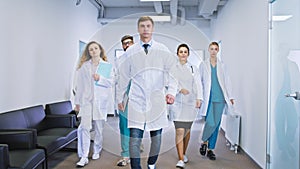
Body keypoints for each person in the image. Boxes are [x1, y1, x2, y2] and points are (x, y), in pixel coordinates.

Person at [117, 16, 178, 169]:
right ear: (138, 29)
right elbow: (123, 77)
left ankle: (151, 164)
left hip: (156, 100)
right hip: (137, 99)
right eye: (142, 26)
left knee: (156, 139)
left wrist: (171, 91)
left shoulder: (162, 49)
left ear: (153, 28)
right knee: (134, 140)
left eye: (148, 26)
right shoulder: (130, 51)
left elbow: (173, 72)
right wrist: (120, 98)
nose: (145, 29)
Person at [74, 41, 114, 167]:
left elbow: (111, 83)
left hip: (100, 102)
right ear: (88, 52)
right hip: (86, 101)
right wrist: (77, 102)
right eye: (91, 49)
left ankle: (97, 150)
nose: (94, 51)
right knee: (84, 128)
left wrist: (100, 79)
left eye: (96, 48)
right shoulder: (84, 66)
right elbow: (79, 86)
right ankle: (84, 156)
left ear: (100, 50)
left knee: (99, 129)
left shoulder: (106, 66)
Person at [198, 41, 234, 160]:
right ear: (208, 50)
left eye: (215, 49)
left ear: (218, 51)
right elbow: (199, 82)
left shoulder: (222, 65)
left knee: (216, 125)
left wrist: (231, 96)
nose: (213, 51)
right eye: (211, 49)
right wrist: (199, 97)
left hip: (220, 99)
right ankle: (204, 141)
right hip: (208, 98)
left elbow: (227, 81)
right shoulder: (203, 65)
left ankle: (210, 149)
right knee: (210, 122)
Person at [169, 44, 203, 168]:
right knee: (179, 130)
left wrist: (199, 98)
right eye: (181, 52)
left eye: (185, 52)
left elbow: (198, 84)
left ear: (188, 54)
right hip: (178, 103)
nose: (183, 54)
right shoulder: (173, 69)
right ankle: (180, 159)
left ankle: (183, 153)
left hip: (190, 103)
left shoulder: (194, 69)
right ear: (177, 54)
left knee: (187, 131)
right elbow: (170, 83)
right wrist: (179, 89)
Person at [116, 35, 134, 167]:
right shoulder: (119, 60)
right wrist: (119, 99)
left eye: (129, 43)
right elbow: (117, 79)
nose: (126, 45)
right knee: (124, 124)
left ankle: (136, 145)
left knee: (137, 125)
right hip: (124, 95)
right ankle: (125, 154)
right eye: (124, 44)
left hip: (139, 96)